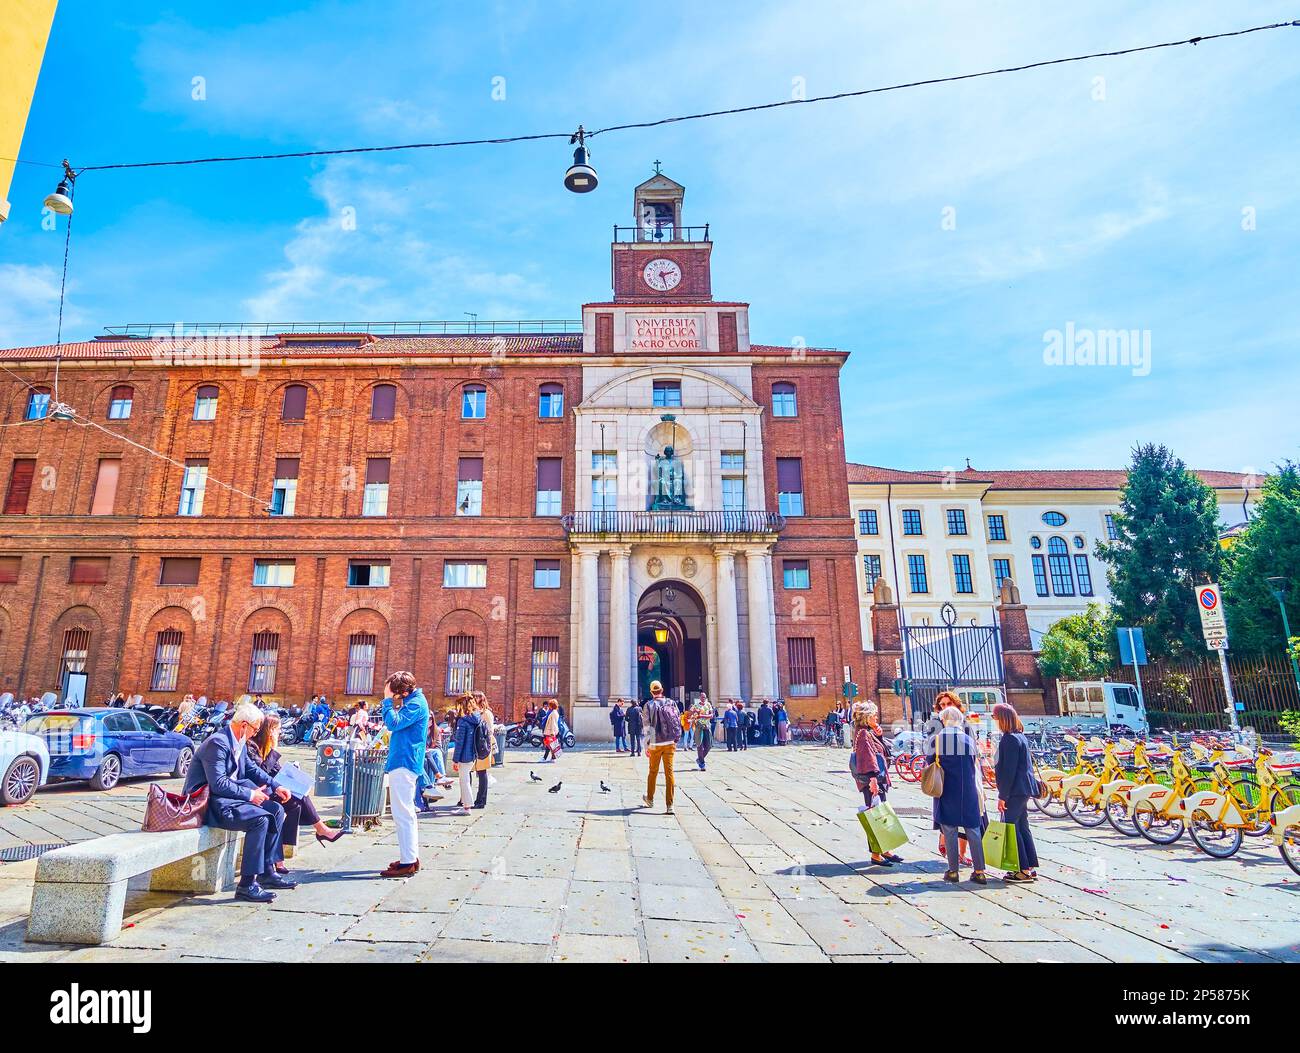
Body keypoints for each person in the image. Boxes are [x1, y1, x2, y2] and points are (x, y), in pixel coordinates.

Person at [181, 701, 295, 903]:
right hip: (210, 804)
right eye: (255, 729)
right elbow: (218, 784)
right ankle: (247, 884)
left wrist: (275, 786)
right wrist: (250, 795)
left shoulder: (237, 742)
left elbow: (252, 769)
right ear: (244, 725)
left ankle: (267, 871)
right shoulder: (218, 743)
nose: (255, 733)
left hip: (229, 800)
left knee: (275, 809)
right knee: (260, 820)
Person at [249, 713, 345, 870]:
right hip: (258, 791)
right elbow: (260, 774)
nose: (280, 733)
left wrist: (292, 771)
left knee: (297, 802)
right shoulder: (253, 746)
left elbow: (277, 771)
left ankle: (280, 856)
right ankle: (320, 830)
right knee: (293, 803)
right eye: (278, 730)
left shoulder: (266, 747)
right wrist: (273, 751)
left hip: (271, 789)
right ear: (270, 730)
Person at [927, 705, 988, 884]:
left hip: (947, 789)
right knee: (973, 829)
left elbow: (929, 763)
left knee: (950, 829)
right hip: (968, 789)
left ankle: (953, 870)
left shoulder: (937, 740)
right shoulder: (969, 740)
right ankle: (980, 871)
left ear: (944, 720)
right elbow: (974, 762)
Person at [379, 670, 429, 878]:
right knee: (403, 812)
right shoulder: (414, 701)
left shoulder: (416, 703)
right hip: (403, 759)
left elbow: (394, 723)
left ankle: (408, 861)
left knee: (403, 813)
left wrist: (386, 701)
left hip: (405, 760)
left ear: (400, 691)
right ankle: (409, 857)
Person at [993, 702, 1040, 882]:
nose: (994, 720)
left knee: (1011, 828)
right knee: (1022, 826)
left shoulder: (1009, 739)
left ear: (1002, 719)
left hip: (1014, 790)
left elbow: (1009, 771)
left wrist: (1002, 796)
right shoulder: (1020, 736)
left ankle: (1022, 870)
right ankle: (1029, 866)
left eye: (995, 717)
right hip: (1024, 788)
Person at [851, 702, 901, 865]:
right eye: (873, 715)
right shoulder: (864, 733)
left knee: (881, 815)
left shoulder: (868, 732)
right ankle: (876, 855)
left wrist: (879, 735)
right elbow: (868, 757)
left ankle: (884, 850)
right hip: (873, 781)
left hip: (877, 779)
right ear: (866, 717)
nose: (876, 718)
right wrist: (873, 779)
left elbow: (884, 752)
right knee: (876, 817)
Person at [641, 681, 680, 814]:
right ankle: (670, 805)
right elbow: (677, 720)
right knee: (669, 773)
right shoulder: (671, 702)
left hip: (655, 743)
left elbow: (647, 727)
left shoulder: (648, 705)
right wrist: (675, 738)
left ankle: (650, 799)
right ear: (662, 690)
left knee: (653, 772)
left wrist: (647, 745)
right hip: (669, 742)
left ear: (651, 692)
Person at [451, 694, 481, 816]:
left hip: (464, 756)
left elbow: (459, 743)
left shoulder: (463, 721)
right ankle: (465, 804)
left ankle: (467, 806)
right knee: (466, 779)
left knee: (464, 781)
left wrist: (455, 760)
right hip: (473, 754)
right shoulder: (476, 718)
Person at [472, 691, 494, 809]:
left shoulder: (486, 713)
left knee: (482, 772)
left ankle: (481, 800)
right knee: (474, 772)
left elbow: (490, 731)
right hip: (476, 746)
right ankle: (468, 799)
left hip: (484, 746)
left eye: (474, 698)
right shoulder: (475, 712)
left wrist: (485, 744)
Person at [693, 697, 714, 771]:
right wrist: (696, 713)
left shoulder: (708, 705)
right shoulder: (696, 705)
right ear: (699, 698)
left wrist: (701, 715)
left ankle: (699, 759)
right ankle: (702, 764)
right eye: (702, 697)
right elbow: (694, 715)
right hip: (699, 727)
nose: (703, 698)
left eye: (704, 697)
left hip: (707, 727)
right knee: (700, 746)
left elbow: (711, 715)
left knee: (708, 746)